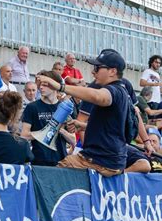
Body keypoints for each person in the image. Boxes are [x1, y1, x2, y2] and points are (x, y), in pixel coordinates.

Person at [37, 49, 131, 177]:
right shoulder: (122, 91)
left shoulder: (114, 90)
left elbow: (99, 97)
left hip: (99, 160)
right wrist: (84, 126)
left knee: (52, 178)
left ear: (112, 71)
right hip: (110, 160)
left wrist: (60, 87)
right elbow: (111, 128)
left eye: (97, 68)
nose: (93, 71)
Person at [21, 70, 75, 166]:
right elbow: (24, 135)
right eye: (40, 84)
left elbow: (73, 139)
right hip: (39, 161)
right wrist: (43, 133)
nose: (41, 87)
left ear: (55, 85)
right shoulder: (32, 107)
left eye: (45, 85)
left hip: (61, 161)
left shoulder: (63, 107)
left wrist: (60, 130)